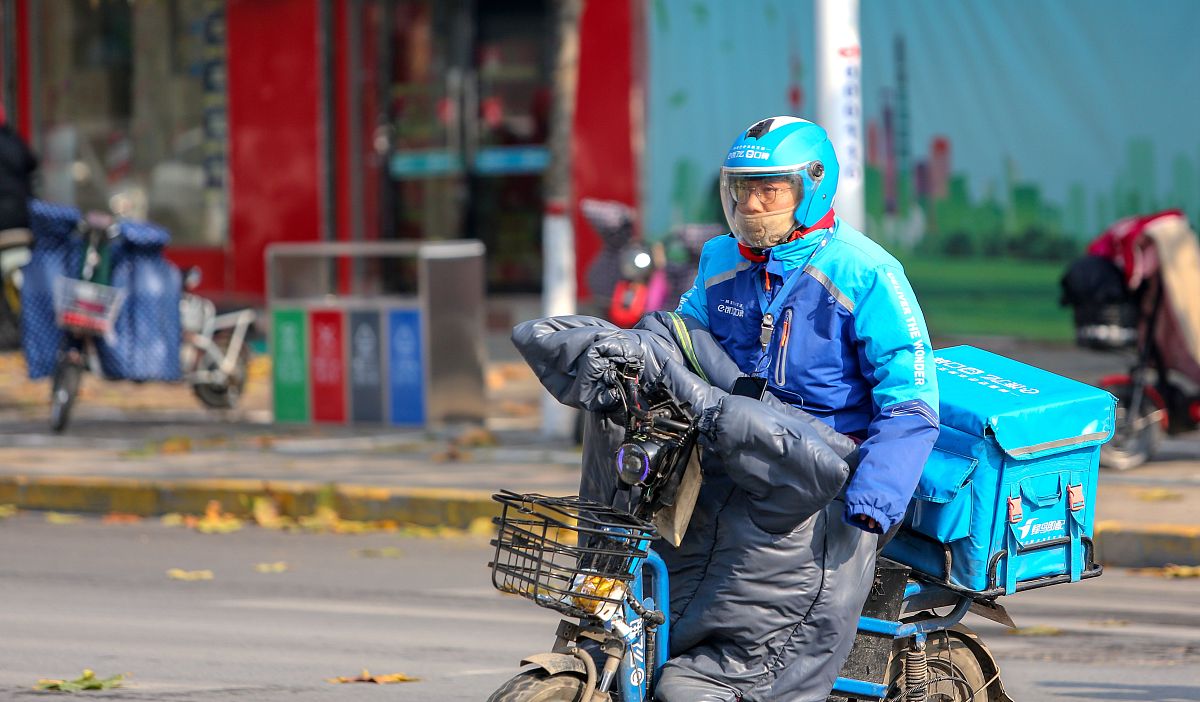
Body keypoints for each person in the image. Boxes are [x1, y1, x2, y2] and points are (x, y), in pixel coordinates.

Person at [661, 115, 940, 699]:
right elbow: (680, 340)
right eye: (743, 190)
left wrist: (869, 506)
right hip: (740, 466)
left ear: (812, 187)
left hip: (829, 484)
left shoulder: (866, 272)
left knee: (786, 649)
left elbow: (911, 404)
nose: (754, 204)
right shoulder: (720, 261)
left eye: (771, 190)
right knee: (671, 609)